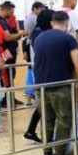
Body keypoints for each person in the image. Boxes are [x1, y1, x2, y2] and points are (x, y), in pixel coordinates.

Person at [33, 11, 78, 155]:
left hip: (40, 87)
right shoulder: (68, 39)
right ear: (67, 23)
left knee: (47, 120)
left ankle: (47, 153)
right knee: (64, 120)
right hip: (61, 86)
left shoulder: (39, 38)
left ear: (52, 23)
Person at [23, 9, 54, 144]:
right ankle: (31, 131)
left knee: (43, 104)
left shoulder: (36, 32)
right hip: (42, 72)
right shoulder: (42, 35)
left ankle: (30, 131)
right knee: (44, 104)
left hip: (39, 71)